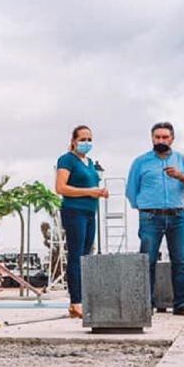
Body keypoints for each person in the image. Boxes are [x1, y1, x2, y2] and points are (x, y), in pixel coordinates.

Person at [126, 121, 184, 316]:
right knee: (147, 260)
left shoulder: (181, 160)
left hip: (177, 217)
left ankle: (181, 304)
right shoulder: (140, 162)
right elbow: (131, 190)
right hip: (150, 217)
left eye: (165, 137)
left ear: (172, 139)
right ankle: (146, 304)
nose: (161, 140)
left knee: (180, 260)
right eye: (157, 137)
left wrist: (180, 176)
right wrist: (143, 208)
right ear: (152, 138)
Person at [55, 125, 108, 318]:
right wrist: (89, 191)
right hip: (74, 212)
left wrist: (99, 192)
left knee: (86, 256)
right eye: (83, 139)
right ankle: (75, 300)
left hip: (89, 212)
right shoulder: (67, 159)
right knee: (76, 256)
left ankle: (83, 299)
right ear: (74, 141)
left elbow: (91, 184)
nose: (86, 143)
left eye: (89, 140)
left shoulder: (90, 162)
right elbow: (60, 188)